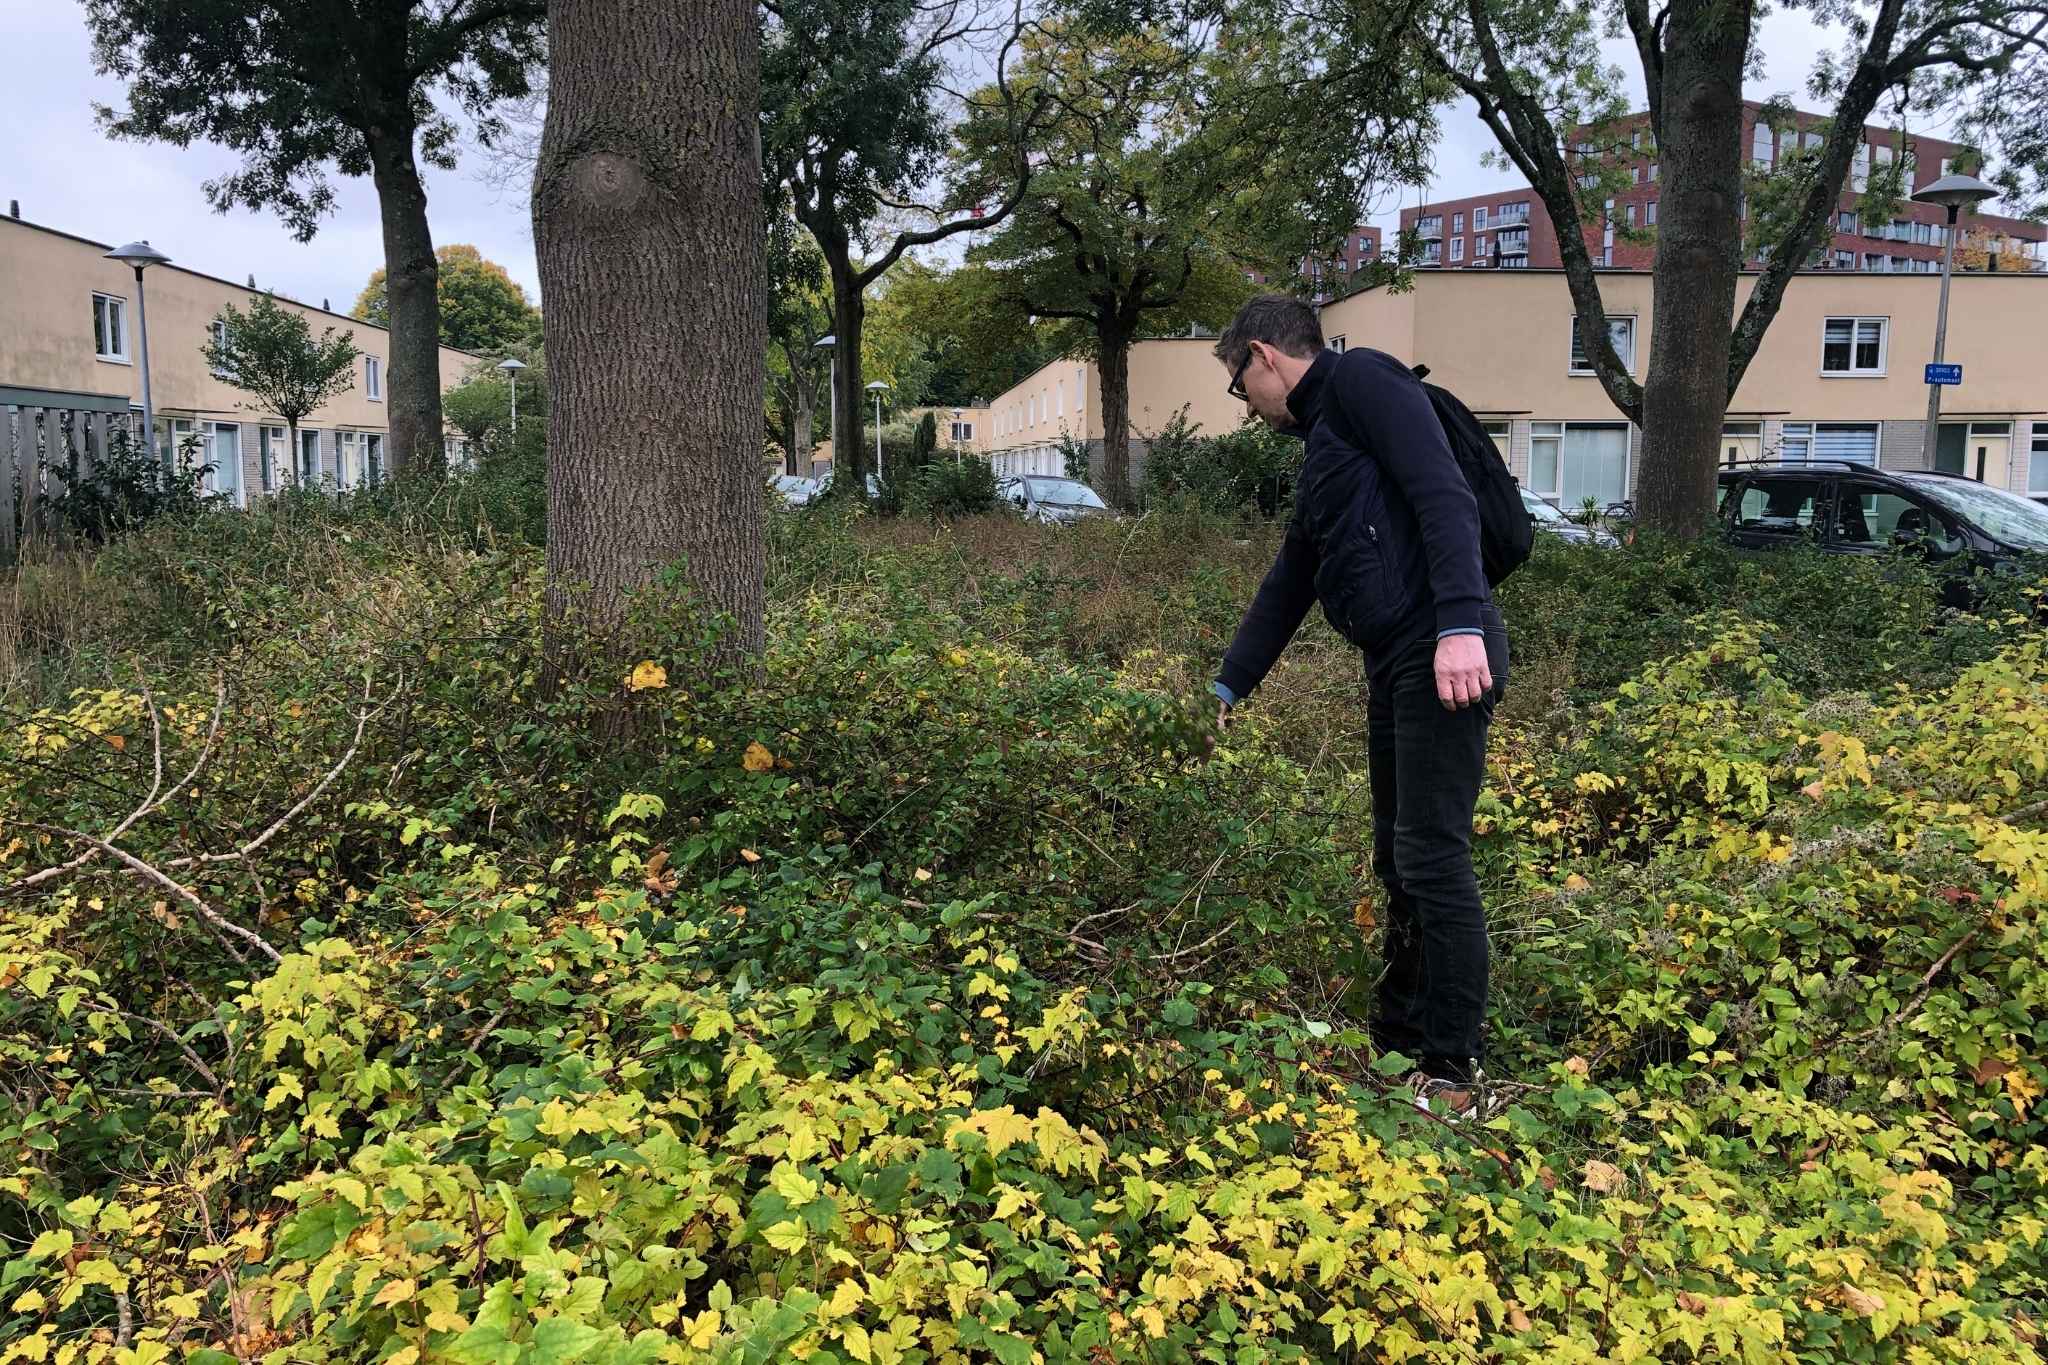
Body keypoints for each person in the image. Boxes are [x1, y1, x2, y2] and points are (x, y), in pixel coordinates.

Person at [1209, 294, 1509, 1120]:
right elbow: (1292, 577)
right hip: (1396, 659)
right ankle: (1400, 1035)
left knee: (1432, 854)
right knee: (1397, 855)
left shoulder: (1368, 383)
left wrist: (1457, 625)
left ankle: (1454, 1068)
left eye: (1241, 385)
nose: (1247, 405)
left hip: (1444, 651)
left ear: (1264, 355)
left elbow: (1444, 494)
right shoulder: (1324, 443)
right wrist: (1228, 685)